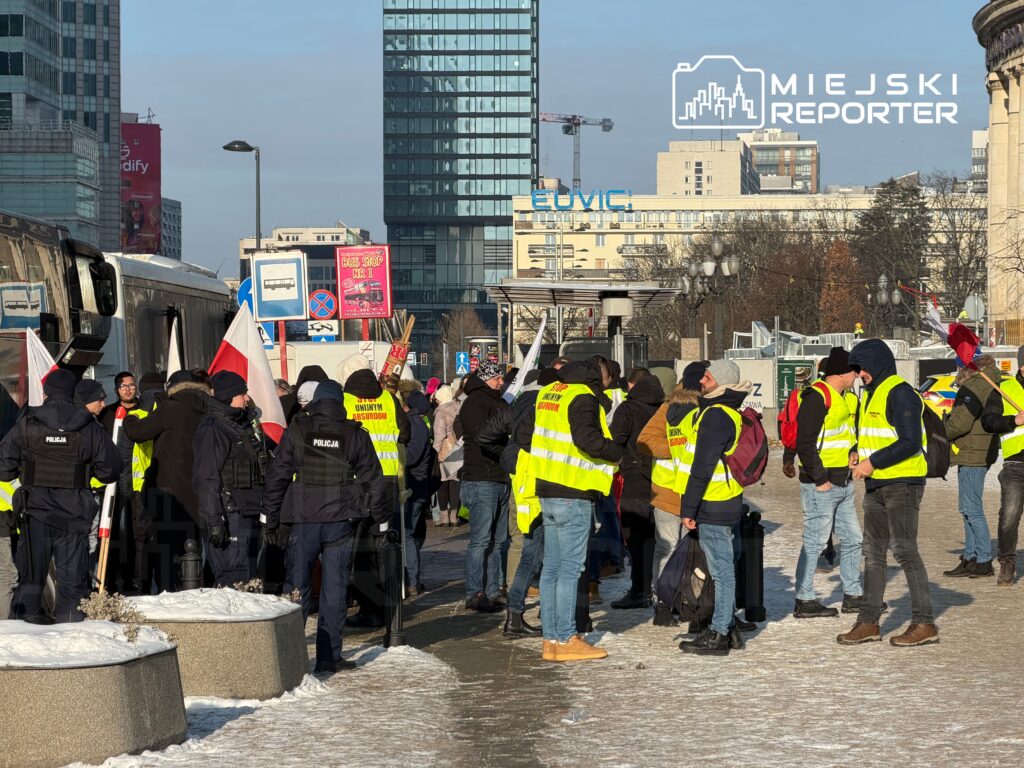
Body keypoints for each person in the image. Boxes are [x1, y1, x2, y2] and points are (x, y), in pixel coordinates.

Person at [261, 380, 389, 674]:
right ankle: (329, 657)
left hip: (303, 521)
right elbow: (374, 481)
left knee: (297, 589)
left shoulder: (298, 429)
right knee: (335, 590)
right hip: (340, 522)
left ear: (316, 402)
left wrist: (269, 517)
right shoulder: (354, 433)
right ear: (340, 403)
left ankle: (291, 660)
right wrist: (381, 523)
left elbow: (277, 476)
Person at [518, 359, 621, 662]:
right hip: (573, 493)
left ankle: (551, 639)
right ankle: (565, 638)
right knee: (570, 569)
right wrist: (618, 452)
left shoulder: (549, 394)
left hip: (548, 491)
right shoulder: (582, 398)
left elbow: (524, 437)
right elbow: (588, 440)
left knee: (551, 567)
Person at [838, 339, 938, 647]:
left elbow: (909, 442)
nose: (859, 374)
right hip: (877, 485)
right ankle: (868, 622)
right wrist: (858, 451)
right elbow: (873, 435)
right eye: (856, 369)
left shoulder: (900, 393)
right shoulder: (871, 394)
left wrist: (872, 462)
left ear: (877, 364)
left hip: (903, 484)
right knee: (873, 554)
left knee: (905, 550)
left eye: (862, 368)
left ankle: (924, 624)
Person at [1, 369, 122, 621]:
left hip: (35, 514)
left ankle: (25, 648)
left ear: (45, 393)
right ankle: (71, 645)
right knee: (72, 587)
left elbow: (3, 468)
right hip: (73, 516)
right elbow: (111, 470)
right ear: (73, 394)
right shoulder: (90, 427)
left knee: (31, 584)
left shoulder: (28, 422)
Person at [676, 360, 751, 656]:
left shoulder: (716, 415)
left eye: (707, 377)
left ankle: (719, 633)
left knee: (721, 571)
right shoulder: (723, 410)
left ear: (720, 382)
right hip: (724, 500)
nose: (702, 381)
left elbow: (702, 466)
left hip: (714, 501)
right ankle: (728, 629)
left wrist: (688, 508)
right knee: (723, 568)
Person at [477, 367, 556, 638]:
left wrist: (509, 458)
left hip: (521, 481)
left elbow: (485, 436)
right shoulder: (547, 407)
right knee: (539, 553)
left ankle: (517, 614)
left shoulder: (516, 405)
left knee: (528, 548)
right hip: (543, 482)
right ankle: (522, 614)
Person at [792, 347, 864, 618]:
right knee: (815, 542)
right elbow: (805, 443)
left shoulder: (844, 397)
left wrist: (853, 451)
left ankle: (853, 595)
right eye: (854, 371)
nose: (857, 376)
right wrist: (820, 479)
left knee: (854, 539)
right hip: (820, 484)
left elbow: (844, 433)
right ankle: (804, 599)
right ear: (843, 373)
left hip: (842, 481)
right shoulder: (816, 397)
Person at [122, 369, 210, 591]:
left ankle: (168, 594)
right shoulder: (207, 408)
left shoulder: (171, 409)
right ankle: (193, 589)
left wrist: (130, 417)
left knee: (166, 550)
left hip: (170, 492)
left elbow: (138, 432)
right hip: (200, 490)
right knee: (193, 547)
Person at [340, 353, 410, 628]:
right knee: (388, 545)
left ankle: (370, 609)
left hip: (359, 482)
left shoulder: (345, 401)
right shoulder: (388, 399)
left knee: (362, 551)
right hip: (389, 480)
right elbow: (405, 433)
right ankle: (392, 607)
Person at [637, 361, 707, 626]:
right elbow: (644, 441)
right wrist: (677, 448)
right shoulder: (669, 408)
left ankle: (688, 601)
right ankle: (663, 602)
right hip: (668, 493)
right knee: (667, 550)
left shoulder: (707, 408)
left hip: (694, 492)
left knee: (693, 554)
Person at [192, 371, 267, 587]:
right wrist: (215, 521)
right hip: (230, 513)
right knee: (233, 576)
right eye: (242, 394)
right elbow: (206, 477)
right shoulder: (214, 428)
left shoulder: (238, 424)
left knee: (248, 576)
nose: (246, 398)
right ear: (228, 396)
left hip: (248, 510)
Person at [609, 369, 664, 610]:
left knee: (636, 535)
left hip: (634, 476)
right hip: (661, 477)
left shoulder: (628, 409)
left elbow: (615, 440)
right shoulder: (664, 409)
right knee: (656, 536)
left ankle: (639, 590)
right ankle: (656, 587)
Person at [459, 362, 511, 613]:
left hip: (500, 477)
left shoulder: (499, 402)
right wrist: (507, 451)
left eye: (502, 378)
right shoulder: (475, 403)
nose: (502, 382)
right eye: (497, 378)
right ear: (486, 380)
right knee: (481, 540)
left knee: (499, 541)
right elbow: (482, 436)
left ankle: (493, 589)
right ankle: (475, 592)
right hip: (480, 477)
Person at [942, 354, 1000, 579]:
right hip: (976, 451)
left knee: (972, 509)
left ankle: (983, 559)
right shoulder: (988, 382)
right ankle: (971, 556)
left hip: (973, 453)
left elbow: (961, 422)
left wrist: (943, 429)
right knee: (967, 508)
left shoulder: (976, 385)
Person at [100, 371, 153, 593]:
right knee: (114, 531)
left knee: (139, 532)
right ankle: (111, 578)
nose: (128, 389)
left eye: (131, 385)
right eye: (123, 386)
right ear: (116, 390)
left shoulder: (147, 411)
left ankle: (138, 579)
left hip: (139, 481)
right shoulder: (108, 413)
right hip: (114, 483)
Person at [981, 345, 1024, 585]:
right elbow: (988, 422)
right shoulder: (1004, 389)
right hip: (1016, 464)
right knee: (1010, 515)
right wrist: (1014, 420)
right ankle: (1006, 562)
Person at [403, 388, 436, 594]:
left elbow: (411, 456)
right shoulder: (420, 423)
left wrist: (394, 454)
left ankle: (412, 581)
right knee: (410, 534)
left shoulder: (414, 425)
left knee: (407, 534)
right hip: (417, 485)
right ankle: (412, 580)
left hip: (413, 485)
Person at [432, 384, 461, 526]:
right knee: (455, 483)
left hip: (444, 449)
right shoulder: (460, 408)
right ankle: (454, 516)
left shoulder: (440, 412)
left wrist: (433, 452)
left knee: (442, 483)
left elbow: (439, 434)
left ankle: (444, 516)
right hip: (458, 448)